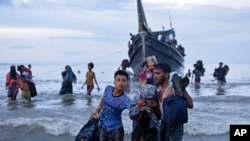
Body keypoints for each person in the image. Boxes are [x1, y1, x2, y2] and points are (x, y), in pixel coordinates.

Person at [153, 63, 193, 141]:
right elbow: (159, 115)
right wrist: (154, 107)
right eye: (154, 73)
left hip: (175, 126)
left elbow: (190, 105)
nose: (155, 76)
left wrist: (182, 89)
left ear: (166, 74)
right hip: (163, 124)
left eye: (158, 73)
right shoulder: (158, 90)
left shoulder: (173, 89)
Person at [91, 70, 131, 141]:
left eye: (123, 80)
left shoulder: (126, 100)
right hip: (102, 127)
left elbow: (134, 110)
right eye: (118, 80)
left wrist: (140, 107)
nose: (121, 83)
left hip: (116, 130)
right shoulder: (108, 88)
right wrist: (97, 110)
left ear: (127, 83)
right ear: (114, 81)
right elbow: (103, 98)